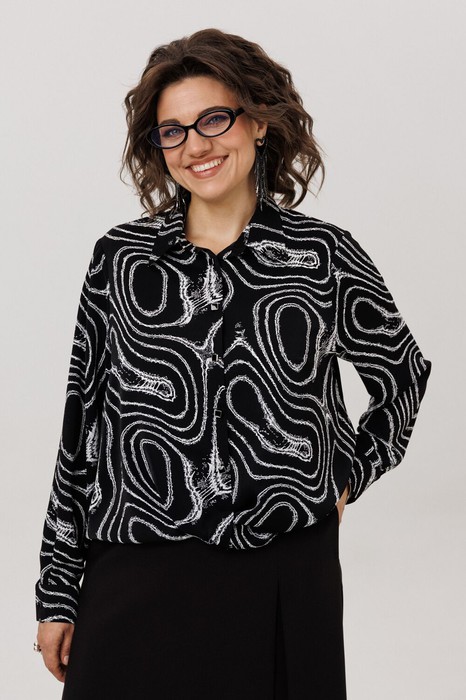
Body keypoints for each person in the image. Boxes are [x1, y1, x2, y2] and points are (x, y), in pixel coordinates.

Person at [34, 27, 432, 699]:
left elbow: (403, 376)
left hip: (281, 578)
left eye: (214, 119)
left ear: (259, 122)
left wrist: (347, 475)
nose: (196, 145)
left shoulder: (323, 257)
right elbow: (82, 429)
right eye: (173, 131)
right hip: (134, 573)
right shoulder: (121, 261)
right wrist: (57, 589)